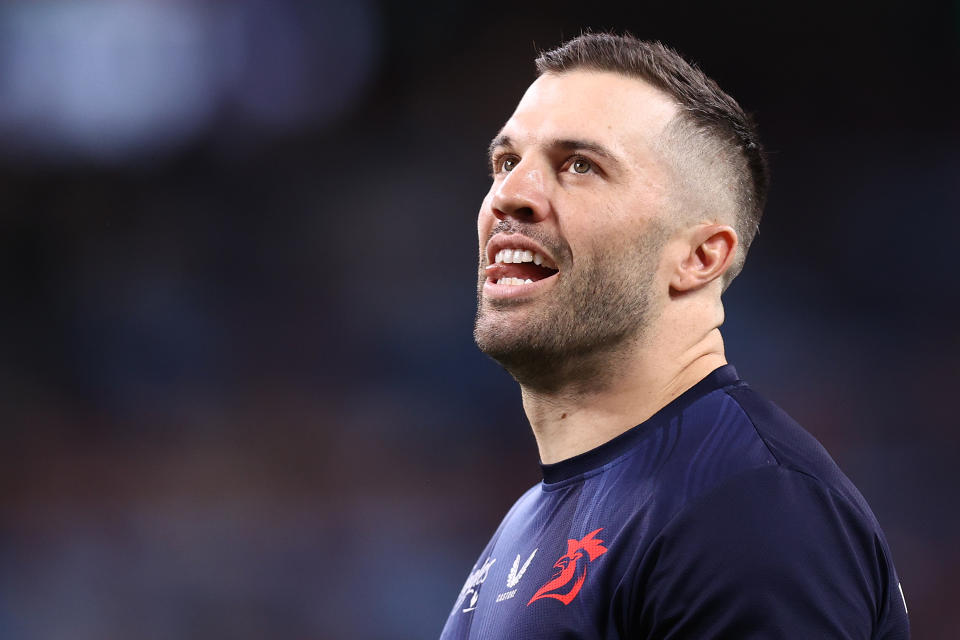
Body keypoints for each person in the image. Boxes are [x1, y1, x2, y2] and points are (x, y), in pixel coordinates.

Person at [439, 33, 909, 639]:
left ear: (699, 257)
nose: (511, 195)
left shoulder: (747, 506)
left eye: (580, 165)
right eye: (507, 162)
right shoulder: (535, 519)